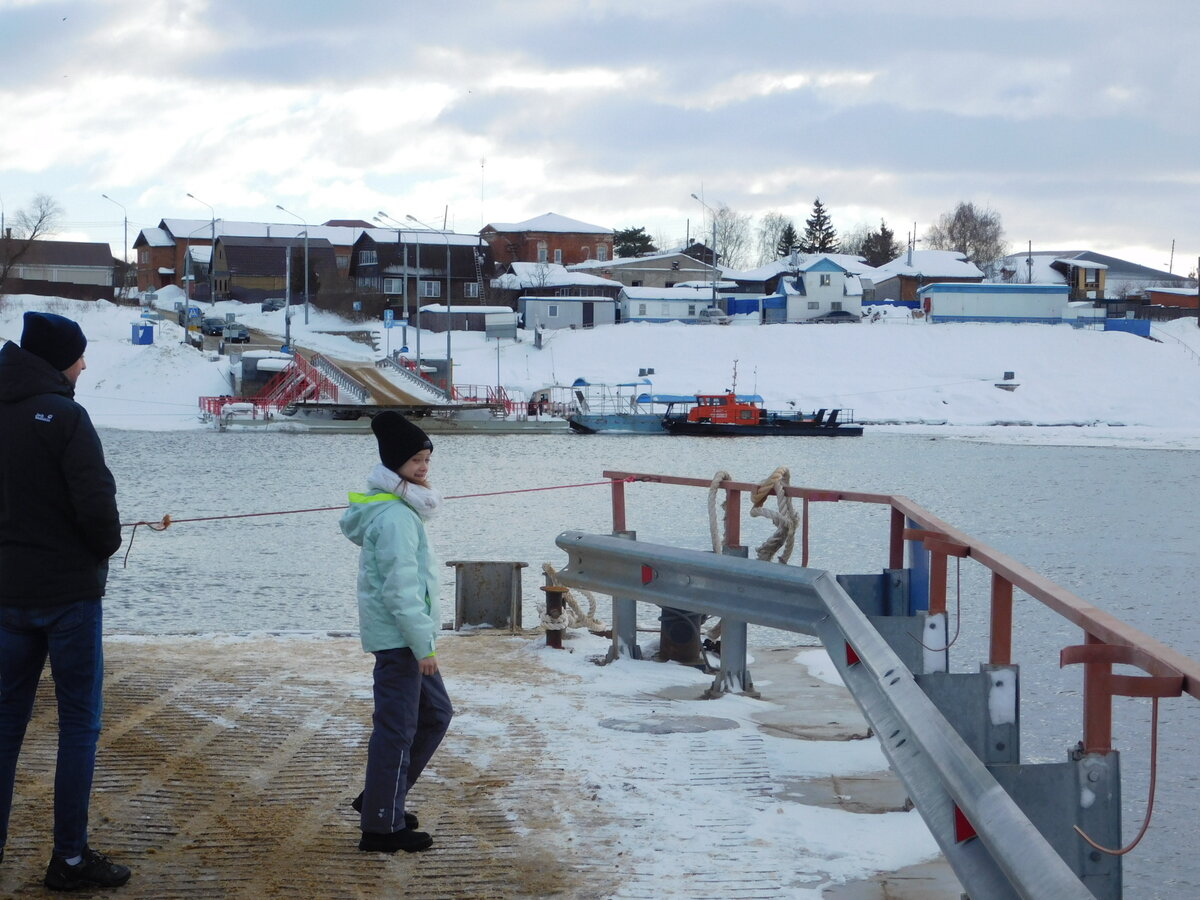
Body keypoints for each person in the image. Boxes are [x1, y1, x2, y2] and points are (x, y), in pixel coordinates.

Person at [0, 312, 129, 891]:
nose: (83, 365)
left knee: (4, 728)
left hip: (5, 596)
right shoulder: (68, 417)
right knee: (79, 725)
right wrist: (102, 552)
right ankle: (69, 859)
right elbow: (98, 508)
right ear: (58, 361)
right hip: (69, 598)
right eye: (78, 357)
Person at [339, 412, 453, 854]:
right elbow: (402, 589)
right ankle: (380, 828)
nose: (423, 467)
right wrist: (423, 645)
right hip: (401, 640)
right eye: (414, 460)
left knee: (436, 714)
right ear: (394, 463)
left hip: (404, 638)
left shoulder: (398, 508)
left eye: (426, 459)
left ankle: (380, 799)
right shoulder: (396, 518)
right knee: (397, 729)